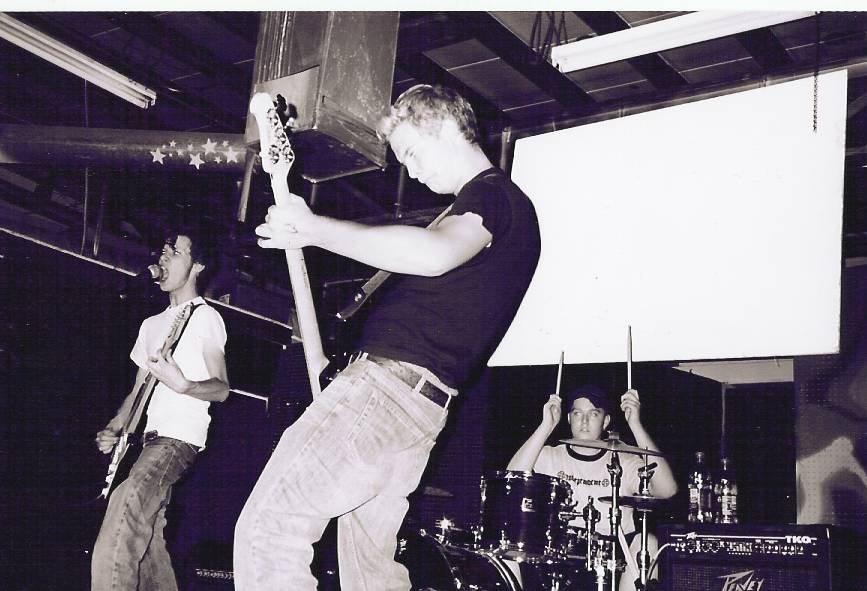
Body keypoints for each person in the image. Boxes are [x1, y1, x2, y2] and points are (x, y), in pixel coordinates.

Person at [234, 84, 541, 590]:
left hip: (386, 394)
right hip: (417, 409)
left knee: (269, 532)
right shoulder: (496, 207)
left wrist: (317, 230)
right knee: (370, 574)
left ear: (446, 126)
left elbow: (432, 254)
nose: (411, 173)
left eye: (413, 153)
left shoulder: (491, 195)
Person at [91, 230, 229, 591]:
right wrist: (116, 427)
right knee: (150, 546)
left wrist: (185, 386)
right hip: (146, 441)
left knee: (123, 512)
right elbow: (139, 389)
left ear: (198, 266)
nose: (164, 258)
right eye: (163, 251)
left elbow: (222, 388)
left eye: (175, 253)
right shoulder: (150, 325)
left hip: (177, 439)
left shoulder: (205, 317)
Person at [507, 385, 677, 591]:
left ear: (605, 421)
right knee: (507, 541)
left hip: (613, 555)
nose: (584, 421)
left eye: (593, 414)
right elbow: (511, 479)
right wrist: (546, 426)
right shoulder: (550, 455)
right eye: (577, 413)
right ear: (568, 418)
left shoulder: (624, 460)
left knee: (647, 541)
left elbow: (667, 490)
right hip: (558, 551)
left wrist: (636, 425)